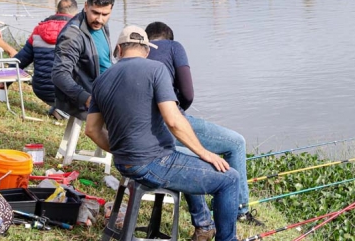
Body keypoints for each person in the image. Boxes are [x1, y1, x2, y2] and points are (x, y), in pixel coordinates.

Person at [85, 25, 240, 241]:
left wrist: (122, 150)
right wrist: (205, 153)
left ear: (119, 50)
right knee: (230, 179)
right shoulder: (156, 69)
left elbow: (91, 130)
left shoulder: (102, 79)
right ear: (146, 50)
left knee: (192, 161)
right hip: (154, 162)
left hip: (124, 163)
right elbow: (174, 121)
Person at [144, 21, 262, 228]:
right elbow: (188, 93)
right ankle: (240, 211)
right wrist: (179, 108)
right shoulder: (174, 47)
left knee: (186, 154)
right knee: (235, 143)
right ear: (169, 38)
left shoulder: (136, 54)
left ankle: (203, 220)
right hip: (170, 123)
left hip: (144, 132)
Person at [51, 0, 114, 120]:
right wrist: (85, 98)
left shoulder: (102, 25)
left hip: (109, 89)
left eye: (105, 14)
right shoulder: (72, 35)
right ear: (86, 6)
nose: (100, 19)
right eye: (95, 13)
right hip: (88, 98)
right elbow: (59, 74)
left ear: (111, 10)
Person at [15, 0, 78, 116]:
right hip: (66, 90)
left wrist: (4, 83)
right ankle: (63, 108)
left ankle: (58, 107)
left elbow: (22, 59)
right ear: (76, 13)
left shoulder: (39, 29)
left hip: (40, 89)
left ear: (57, 11)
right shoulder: (77, 30)